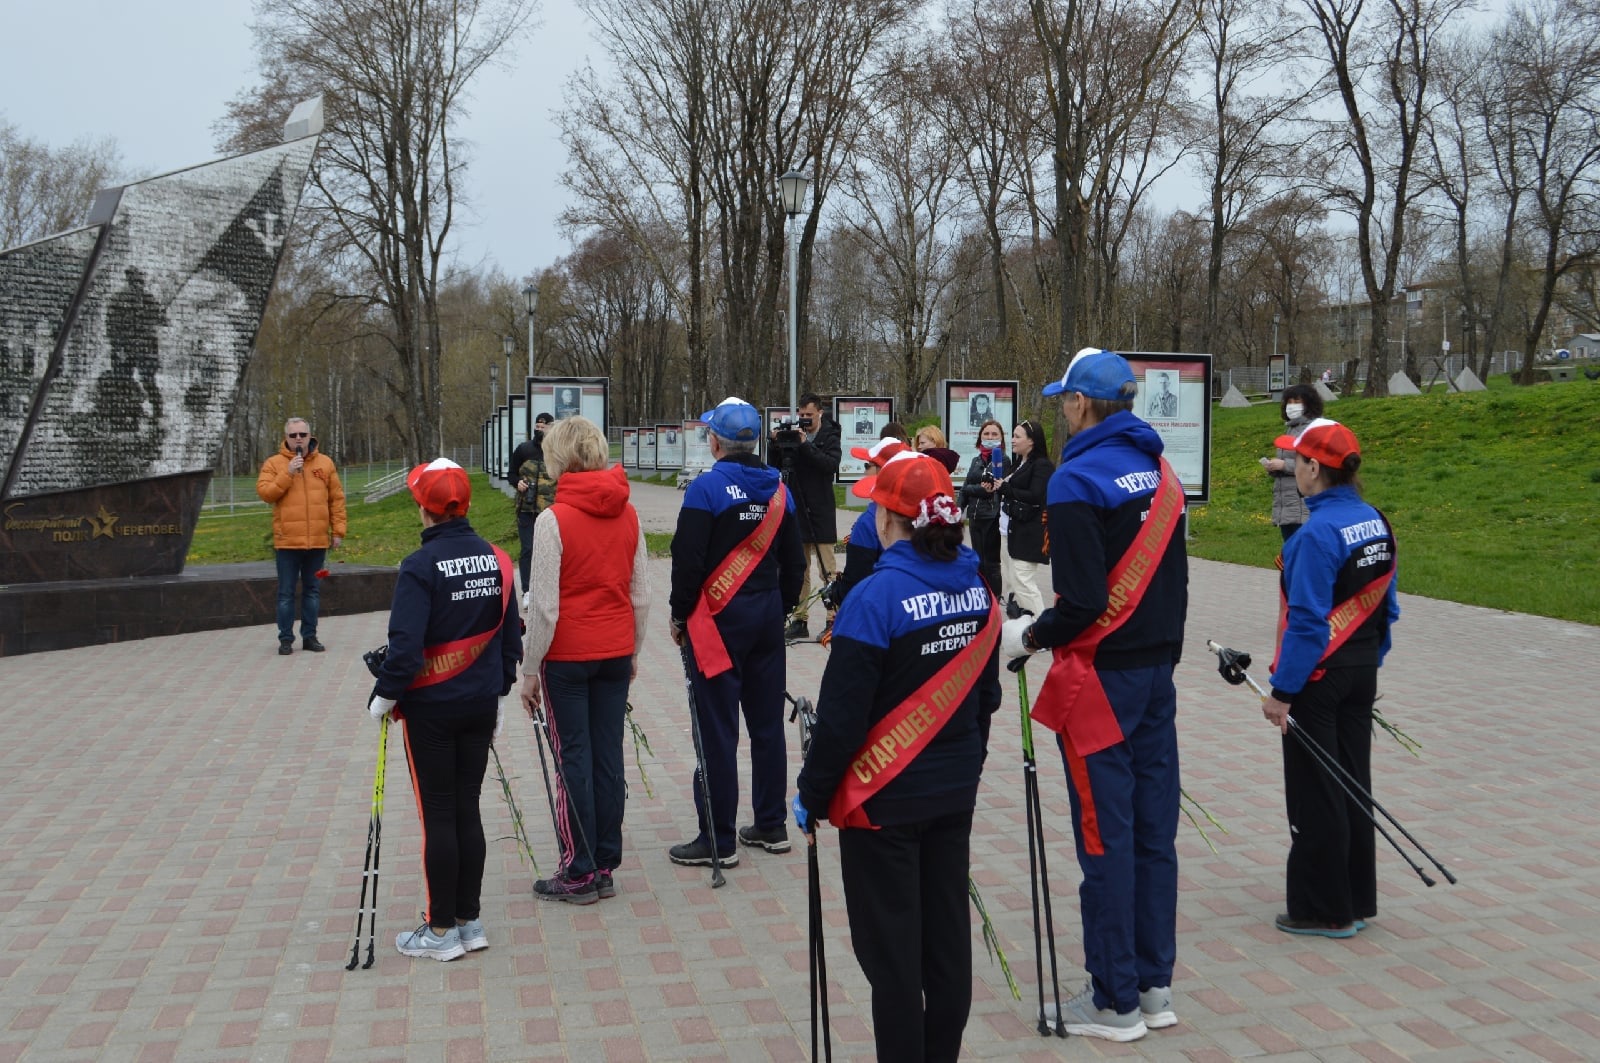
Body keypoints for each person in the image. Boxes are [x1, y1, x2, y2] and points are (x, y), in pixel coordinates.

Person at [1000, 349, 1188, 1043]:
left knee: (1104, 835)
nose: (1059, 411)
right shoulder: (1163, 471)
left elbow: (1079, 603)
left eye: (1063, 401)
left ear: (1081, 404)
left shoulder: (1077, 478)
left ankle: (1113, 1000)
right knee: (1150, 832)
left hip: (1102, 680)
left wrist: (1026, 636)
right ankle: (1151, 981)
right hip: (1155, 675)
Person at [794, 450, 1003, 1063]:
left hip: (882, 804)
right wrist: (965, 766)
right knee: (944, 946)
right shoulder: (977, 585)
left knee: (892, 961)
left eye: (875, 505)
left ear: (891, 519)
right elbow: (985, 697)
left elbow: (841, 720)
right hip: (953, 790)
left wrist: (810, 796)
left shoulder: (874, 596)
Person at [368, 458, 521, 961]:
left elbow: (406, 649)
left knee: (438, 816)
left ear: (423, 506)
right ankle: (469, 921)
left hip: (432, 709)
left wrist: (384, 696)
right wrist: (498, 691)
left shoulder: (418, 566)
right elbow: (508, 640)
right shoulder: (499, 560)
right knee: (465, 809)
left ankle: (438, 934)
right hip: (480, 704)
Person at [1261, 418, 1399, 939]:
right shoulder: (1374, 519)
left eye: (1296, 460)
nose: (1292, 467)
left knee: (1317, 790)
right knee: (1351, 782)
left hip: (1318, 677)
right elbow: (1388, 605)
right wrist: (1372, 662)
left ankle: (1324, 910)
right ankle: (1356, 899)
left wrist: (1282, 693)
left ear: (1314, 467)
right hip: (1360, 670)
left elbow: (1307, 622)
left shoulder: (1314, 534)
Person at [520, 417, 650, 904]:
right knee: (607, 754)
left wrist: (530, 669)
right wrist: (633, 650)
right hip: (615, 649)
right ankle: (605, 861)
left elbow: (545, 606)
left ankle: (577, 868)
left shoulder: (553, 520)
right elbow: (641, 594)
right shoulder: (629, 512)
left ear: (561, 459)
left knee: (572, 756)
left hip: (569, 657)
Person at [670, 397, 805, 866]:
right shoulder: (780, 490)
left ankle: (719, 839)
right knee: (767, 724)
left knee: (716, 729)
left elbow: (687, 563)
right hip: (766, 617)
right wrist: (782, 607)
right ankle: (771, 824)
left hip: (716, 623)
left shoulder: (705, 490)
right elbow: (796, 563)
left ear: (715, 442)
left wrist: (678, 614)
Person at [256, 417, 346, 655]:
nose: (298, 439)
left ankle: (310, 637)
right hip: (287, 542)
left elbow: (336, 499)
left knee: (312, 591)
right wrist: (288, 473)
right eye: (293, 435)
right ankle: (286, 639)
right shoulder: (274, 463)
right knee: (286, 593)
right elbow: (265, 493)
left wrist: (338, 531)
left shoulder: (325, 463)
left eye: (302, 435)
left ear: (310, 436)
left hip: (317, 541)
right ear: (286, 438)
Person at [767, 392, 841, 640]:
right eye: (802, 415)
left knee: (827, 569)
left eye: (810, 415)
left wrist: (805, 445)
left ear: (820, 412)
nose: (805, 419)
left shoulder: (830, 435)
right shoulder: (794, 434)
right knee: (800, 568)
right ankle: (800, 619)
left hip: (820, 509)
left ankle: (834, 617)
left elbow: (829, 466)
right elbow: (776, 466)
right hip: (797, 507)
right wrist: (775, 444)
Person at [997, 419, 1053, 618]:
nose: (1012, 440)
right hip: (1009, 531)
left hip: (1029, 533)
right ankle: (1023, 623)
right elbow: (1009, 492)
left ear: (1032, 441)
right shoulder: (1018, 464)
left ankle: (1041, 628)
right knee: (1012, 581)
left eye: (1017, 436)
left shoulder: (1042, 465)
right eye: (1012, 435)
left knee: (1023, 581)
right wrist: (995, 486)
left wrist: (1006, 489)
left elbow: (1036, 496)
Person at [957, 418, 1010, 598]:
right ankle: (981, 597)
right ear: (980, 437)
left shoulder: (1003, 459)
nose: (990, 437)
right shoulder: (975, 460)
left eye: (994, 434)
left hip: (992, 516)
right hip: (974, 516)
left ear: (1001, 438)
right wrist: (958, 508)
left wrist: (973, 489)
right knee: (978, 561)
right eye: (986, 433)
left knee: (991, 563)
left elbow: (991, 490)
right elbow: (966, 488)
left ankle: (995, 598)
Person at [509, 412, 557, 610]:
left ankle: (549, 590)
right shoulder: (523, 449)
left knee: (550, 550)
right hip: (526, 509)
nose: (540, 429)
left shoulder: (556, 451)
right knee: (527, 549)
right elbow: (511, 473)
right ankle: (528, 591)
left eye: (544, 426)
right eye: (537, 426)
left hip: (551, 511)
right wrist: (517, 483)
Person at [1263, 385, 1323, 541]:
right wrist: (1274, 467)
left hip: (1302, 504)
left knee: (1302, 554)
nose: (1292, 405)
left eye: (1296, 401)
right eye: (1289, 401)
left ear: (1308, 403)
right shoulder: (1291, 429)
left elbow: (1315, 464)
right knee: (1290, 554)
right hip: (1286, 504)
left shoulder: (1313, 429)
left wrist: (1284, 465)